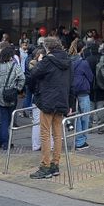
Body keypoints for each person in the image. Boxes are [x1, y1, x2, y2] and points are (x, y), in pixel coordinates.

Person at [28, 37, 74, 180]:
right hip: (62, 100)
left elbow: (33, 74)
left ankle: (45, 166)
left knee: (45, 133)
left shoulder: (47, 61)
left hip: (47, 100)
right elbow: (71, 84)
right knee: (57, 134)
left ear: (48, 48)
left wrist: (41, 61)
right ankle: (55, 164)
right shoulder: (68, 61)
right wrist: (70, 104)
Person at [0, 45, 26, 150]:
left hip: (0, 94)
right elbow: (22, 78)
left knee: (4, 119)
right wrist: (18, 88)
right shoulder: (14, 66)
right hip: (12, 93)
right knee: (7, 120)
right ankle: (6, 142)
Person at [69, 40, 93, 150]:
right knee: (85, 116)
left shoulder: (68, 61)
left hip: (71, 92)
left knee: (76, 117)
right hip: (83, 92)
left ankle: (78, 139)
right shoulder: (83, 63)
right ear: (82, 49)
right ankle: (81, 141)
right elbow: (90, 77)